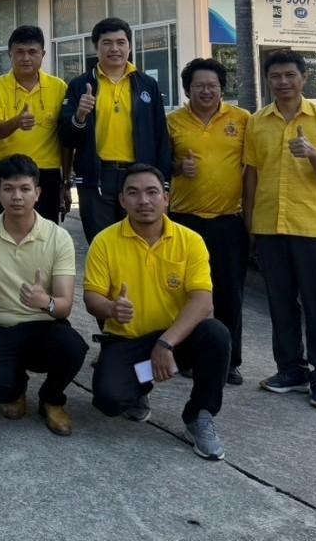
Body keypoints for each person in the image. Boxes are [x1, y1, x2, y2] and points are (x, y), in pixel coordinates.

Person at [84, 164, 230, 461]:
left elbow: (203, 301)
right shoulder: (105, 241)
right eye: (133, 193)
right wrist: (111, 308)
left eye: (152, 192)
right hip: (127, 341)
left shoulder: (190, 240)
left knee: (215, 334)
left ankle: (199, 415)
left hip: (176, 341)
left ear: (166, 199)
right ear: (122, 200)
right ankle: (141, 383)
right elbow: (91, 298)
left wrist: (166, 343)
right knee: (110, 399)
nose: (144, 201)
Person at [245, 50, 316, 412]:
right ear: (268, 81)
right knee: (280, 304)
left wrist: (313, 153)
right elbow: (251, 174)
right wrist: (249, 223)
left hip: (312, 227)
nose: (283, 82)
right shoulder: (257, 122)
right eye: (275, 76)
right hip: (269, 225)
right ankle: (290, 370)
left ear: (304, 78)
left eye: (290, 75)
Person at [0, 155, 87, 436]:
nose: (17, 196)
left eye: (25, 189)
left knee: (73, 347)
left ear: (37, 193)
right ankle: (16, 386)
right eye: (8, 189)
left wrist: (45, 302)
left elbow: (64, 306)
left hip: (45, 326)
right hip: (3, 328)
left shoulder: (58, 237)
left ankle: (52, 399)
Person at [167, 58, 250, 386]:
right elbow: (161, 164)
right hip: (184, 221)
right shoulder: (173, 122)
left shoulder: (242, 120)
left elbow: (253, 168)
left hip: (227, 221)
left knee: (229, 293)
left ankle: (229, 361)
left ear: (221, 88)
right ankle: (186, 356)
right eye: (199, 86)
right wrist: (177, 168)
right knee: (185, 292)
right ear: (187, 90)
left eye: (212, 85)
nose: (206, 91)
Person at [59, 17, 171, 243]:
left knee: (140, 241)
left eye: (121, 42)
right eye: (107, 43)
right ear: (96, 47)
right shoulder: (80, 85)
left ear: (129, 46)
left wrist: (164, 183)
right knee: (102, 243)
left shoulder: (146, 84)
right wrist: (79, 116)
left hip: (139, 176)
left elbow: (160, 136)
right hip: (97, 178)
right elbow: (66, 138)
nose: (115, 49)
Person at [0, 25, 71, 223]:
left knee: (46, 231)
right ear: (10, 54)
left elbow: (66, 138)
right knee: (3, 229)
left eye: (32, 52)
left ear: (43, 54)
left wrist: (66, 180)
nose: (26, 58)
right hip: (4, 169)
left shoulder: (59, 87)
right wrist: (16, 122)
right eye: (20, 52)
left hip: (46, 172)